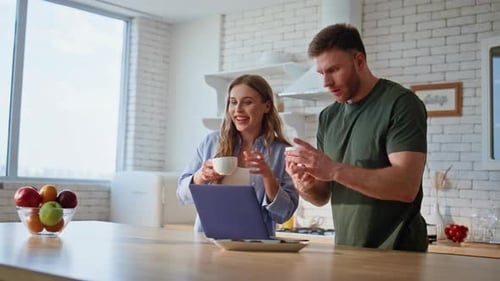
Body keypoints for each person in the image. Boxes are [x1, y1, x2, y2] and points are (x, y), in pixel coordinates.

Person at [284, 23, 428, 252]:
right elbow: (322, 196)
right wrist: (304, 184)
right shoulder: (328, 117)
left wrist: (332, 170)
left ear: (359, 61)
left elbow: (406, 185)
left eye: (333, 70)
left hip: (399, 255)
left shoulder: (401, 104)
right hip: (347, 252)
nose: (326, 82)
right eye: (322, 73)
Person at [177, 74, 299, 236]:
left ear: (267, 106)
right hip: (208, 243)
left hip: (256, 248)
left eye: (247, 102)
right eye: (233, 102)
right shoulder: (211, 142)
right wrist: (200, 176)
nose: (238, 110)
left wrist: (268, 177)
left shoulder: (281, 152)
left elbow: (283, 215)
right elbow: (181, 195)